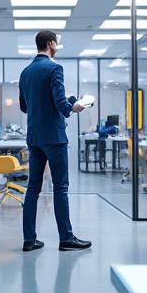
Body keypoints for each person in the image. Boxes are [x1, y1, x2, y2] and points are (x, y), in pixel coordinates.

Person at [17, 30, 91, 252]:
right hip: (54, 137)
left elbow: (24, 107)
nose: (56, 46)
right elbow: (61, 105)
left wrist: (61, 103)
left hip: (34, 137)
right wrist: (74, 106)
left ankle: (29, 239)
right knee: (60, 187)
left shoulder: (25, 72)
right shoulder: (54, 68)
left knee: (33, 187)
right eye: (56, 43)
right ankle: (66, 238)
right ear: (50, 44)